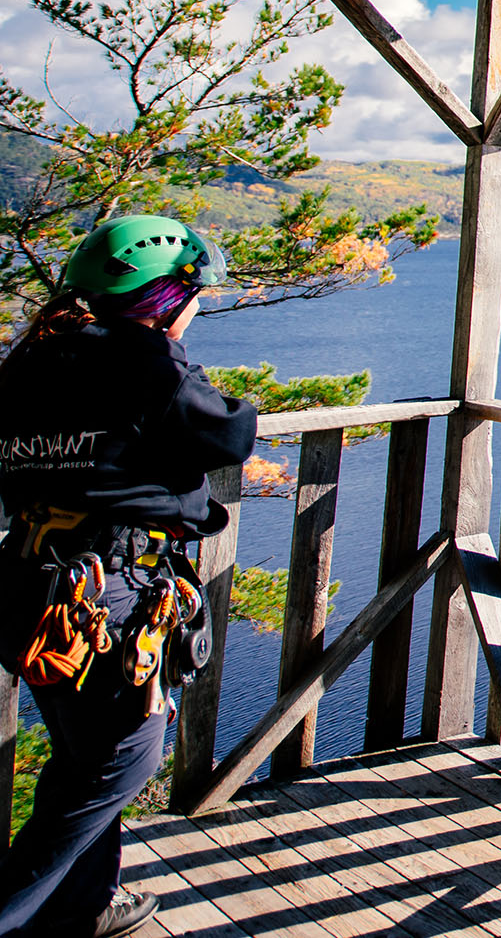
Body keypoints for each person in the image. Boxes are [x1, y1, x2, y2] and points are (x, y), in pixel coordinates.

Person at [0, 216, 254, 938]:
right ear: (168, 298)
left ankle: (83, 907)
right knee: (122, 761)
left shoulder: (35, 356)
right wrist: (167, 348)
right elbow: (229, 432)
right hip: (101, 599)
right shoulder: (146, 361)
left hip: (32, 583)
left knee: (81, 754)